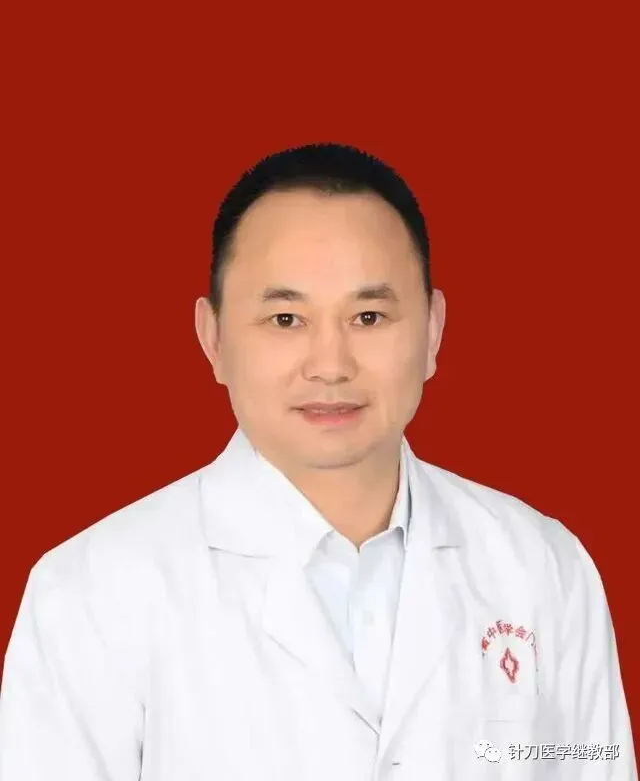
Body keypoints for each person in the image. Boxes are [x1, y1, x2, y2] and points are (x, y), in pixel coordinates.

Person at [0, 143, 636, 780]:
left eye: (369, 316)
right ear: (212, 337)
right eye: (285, 319)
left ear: (434, 330)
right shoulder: (89, 593)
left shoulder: (542, 568)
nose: (330, 365)